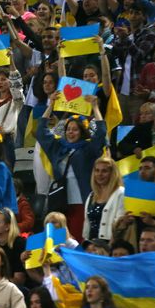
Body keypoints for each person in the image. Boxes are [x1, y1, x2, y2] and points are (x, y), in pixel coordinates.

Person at [38, 93, 107, 241]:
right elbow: (41, 132)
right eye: (69, 129)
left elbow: (101, 133)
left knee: (77, 240)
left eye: (75, 129)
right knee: (59, 242)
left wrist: (95, 107)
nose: (71, 132)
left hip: (81, 202)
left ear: (82, 132)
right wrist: (51, 105)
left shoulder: (88, 149)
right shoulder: (58, 147)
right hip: (60, 203)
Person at [83, 157, 125, 242]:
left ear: (112, 173)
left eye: (104, 171)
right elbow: (87, 223)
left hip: (111, 244)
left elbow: (120, 223)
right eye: (97, 170)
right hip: (91, 245)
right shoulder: (91, 195)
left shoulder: (121, 193)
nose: (99, 174)